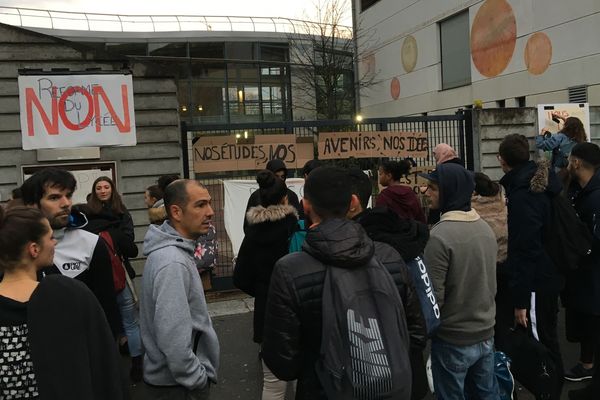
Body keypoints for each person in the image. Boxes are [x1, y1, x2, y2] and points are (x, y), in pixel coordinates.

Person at [261, 166, 412, 400]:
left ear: (305, 205)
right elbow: (416, 334)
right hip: (390, 387)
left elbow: (282, 363)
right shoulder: (389, 257)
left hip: (322, 389)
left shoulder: (290, 269)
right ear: (353, 201)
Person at [0, 206, 125, 399]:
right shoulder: (70, 295)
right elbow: (104, 369)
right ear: (34, 249)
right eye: (50, 237)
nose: (55, 242)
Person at [346, 168, 428, 400]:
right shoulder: (401, 238)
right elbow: (416, 321)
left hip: (376, 373)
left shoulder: (363, 248)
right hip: (409, 369)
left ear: (352, 203)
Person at [421, 163, 498, 399]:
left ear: (449, 191)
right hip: (485, 332)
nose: (426, 192)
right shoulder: (485, 228)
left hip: (453, 338)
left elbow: (435, 298)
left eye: (433, 187)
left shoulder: (439, 236)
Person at [498, 133, 564, 399]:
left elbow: (526, 249)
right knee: (547, 338)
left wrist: (521, 301)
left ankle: (549, 390)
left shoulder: (524, 193)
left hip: (536, 280)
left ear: (502, 160)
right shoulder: (541, 183)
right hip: (549, 273)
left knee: (541, 343)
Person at [140, 179, 219, 399]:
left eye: (209, 203)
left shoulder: (172, 254)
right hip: (177, 387)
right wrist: (197, 380)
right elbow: (173, 340)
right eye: (200, 205)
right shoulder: (173, 262)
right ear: (176, 211)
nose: (210, 212)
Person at [20, 168, 121, 338]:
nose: (66, 203)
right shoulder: (16, 247)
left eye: (68, 195)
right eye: (54, 197)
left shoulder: (90, 243)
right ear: (32, 204)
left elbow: (106, 306)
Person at [233, 169, 299, 400]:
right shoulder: (295, 229)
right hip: (298, 306)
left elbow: (240, 277)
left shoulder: (252, 235)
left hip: (267, 307)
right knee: (304, 374)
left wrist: (262, 289)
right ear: (285, 199)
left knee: (272, 382)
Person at [84, 176, 142, 382]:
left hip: (106, 276)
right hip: (111, 276)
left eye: (106, 186)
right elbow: (130, 246)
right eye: (98, 187)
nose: (102, 190)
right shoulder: (110, 215)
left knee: (112, 322)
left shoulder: (95, 215)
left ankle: (122, 366)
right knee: (129, 322)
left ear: (112, 189)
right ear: (94, 190)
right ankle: (134, 363)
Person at [562, 143, 600, 398]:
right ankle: (587, 366)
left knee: (592, 319)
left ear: (577, 162)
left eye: (570, 158)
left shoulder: (595, 196)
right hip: (585, 271)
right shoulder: (579, 188)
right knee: (587, 318)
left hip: (592, 270)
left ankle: (589, 369)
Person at [244, 159, 301, 232]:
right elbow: (247, 226)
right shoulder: (256, 196)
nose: (280, 180)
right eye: (276, 176)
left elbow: (297, 224)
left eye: (282, 177)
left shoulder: (291, 195)